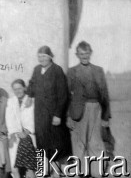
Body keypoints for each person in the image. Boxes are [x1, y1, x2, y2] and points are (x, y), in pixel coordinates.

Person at [67, 41, 112, 177]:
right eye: (81, 54)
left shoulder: (98, 70)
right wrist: (68, 116)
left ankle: (97, 173)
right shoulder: (72, 71)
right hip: (77, 111)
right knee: (79, 144)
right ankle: (81, 173)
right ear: (77, 55)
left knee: (95, 143)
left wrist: (105, 116)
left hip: (96, 110)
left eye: (86, 53)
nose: (84, 56)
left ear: (90, 53)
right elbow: (67, 95)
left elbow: (104, 94)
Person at [26, 46, 72, 176]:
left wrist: (58, 114)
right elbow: (32, 84)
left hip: (53, 115)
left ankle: (58, 171)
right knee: (42, 141)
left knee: (56, 143)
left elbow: (63, 94)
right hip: (40, 114)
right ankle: (45, 170)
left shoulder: (57, 70)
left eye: (44, 56)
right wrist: (29, 95)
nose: (41, 59)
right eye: (39, 56)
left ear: (50, 57)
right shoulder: (36, 69)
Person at [6, 79, 37, 178]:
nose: (17, 91)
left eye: (20, 88)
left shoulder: (31, 100)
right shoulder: (11, 101)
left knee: (26, 143)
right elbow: (9, 119)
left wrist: (27, 131)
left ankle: (30, 172)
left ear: (25, 88)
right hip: (15, 134)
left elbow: (36, 118)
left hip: (30, 134)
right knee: (14, 167)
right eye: (15, 89)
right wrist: (14, 132)